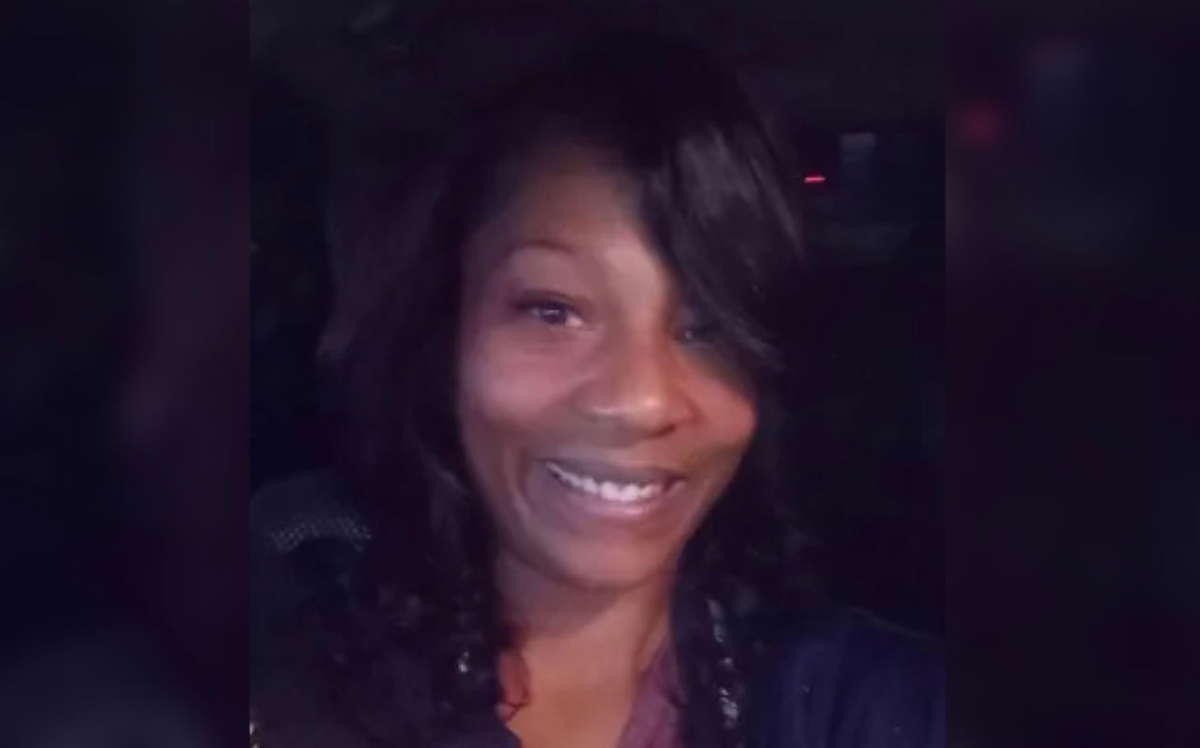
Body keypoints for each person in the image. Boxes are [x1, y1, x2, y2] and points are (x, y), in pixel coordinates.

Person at [252, 30, 943, 748]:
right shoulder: (283, 642)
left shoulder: (865, 705)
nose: (641, 400)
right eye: (553, 311)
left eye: (706, 328)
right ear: (445, 329)